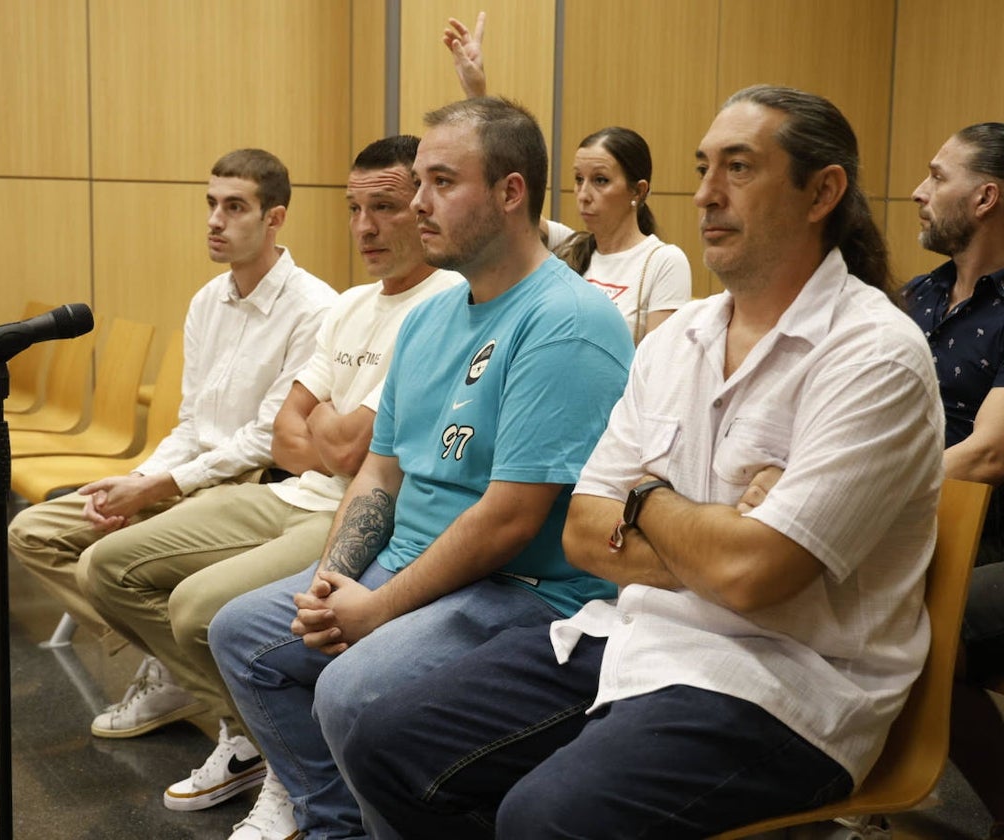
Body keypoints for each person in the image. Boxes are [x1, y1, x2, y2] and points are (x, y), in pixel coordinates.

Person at [341, 84, 945, 839]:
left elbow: (754, 577)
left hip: (783, 685)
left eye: (740, 168)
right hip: (632, 637)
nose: (707, 196)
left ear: (823, 191)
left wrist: (646, 500)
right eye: (703, 169)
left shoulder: (873, 353)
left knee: (545, 817)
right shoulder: (678, 337)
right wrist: (712, 525)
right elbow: (585, 534)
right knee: (384, 739)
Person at [209, 96, 633, 840]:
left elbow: (510, 519)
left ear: (510, 193)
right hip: (413, 567)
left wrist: (376, 608)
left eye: (441, 182)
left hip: (518, 590)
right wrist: (331, 580)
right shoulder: (431, 317)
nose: (417, 202)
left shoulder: (566, 320)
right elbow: (379, 473)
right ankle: (336, 822)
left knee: (350, 692)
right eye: (419, 182)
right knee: (242, 634)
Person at [76, 135, 462, 837]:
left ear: (425, 207)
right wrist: (327, 435)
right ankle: (257, 734)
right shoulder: (350, 304)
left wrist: (324, 431)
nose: (365, 227)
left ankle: (285, 763)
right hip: (288, 491)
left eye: (385, 207)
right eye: (353, 208)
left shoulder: (442, 303)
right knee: (104, 562)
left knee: (202, 613)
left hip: (360, 509)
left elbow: (344, 446)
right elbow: (288, 431)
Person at [7, 147, 336, 731]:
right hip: (187, 477)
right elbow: (190, 422)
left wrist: (160, 483)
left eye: (235, 207)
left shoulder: (315, 308)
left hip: (249, 487)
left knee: (110, 566)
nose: (215, 220)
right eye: (211, 203)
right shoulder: (208, 300)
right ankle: (171, 661)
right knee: (33, 532)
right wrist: (139, 481)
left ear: (275, 217)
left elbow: (267, 438)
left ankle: (234, 715)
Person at [443, 13, 692, 342]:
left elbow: (659, 365)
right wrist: (477, 95)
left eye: (600, 180)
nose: (584, 194)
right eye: (578, 179)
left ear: (639, 190)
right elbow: (504, 199)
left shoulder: (663, 261)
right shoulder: (570, 246)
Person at [905, 122, 1004, 840]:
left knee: (929, 630)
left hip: (992, 538)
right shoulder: (916, 298)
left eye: (938, 177)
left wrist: (864, 492)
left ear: (985, 197)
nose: (918, 190)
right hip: (914, 527)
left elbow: (987, 455)